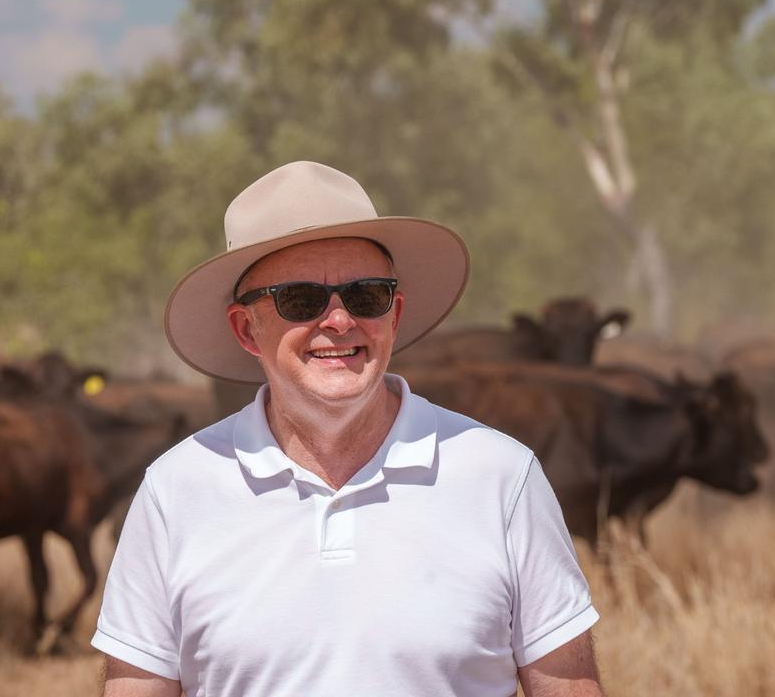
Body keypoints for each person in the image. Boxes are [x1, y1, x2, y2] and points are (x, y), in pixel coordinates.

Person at [93, 161, 604, 696]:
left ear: (394, 314)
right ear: (247, 329)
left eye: (365, 296)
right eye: (300, 299)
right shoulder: (174, 492)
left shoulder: (503, 476)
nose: (338, 321)